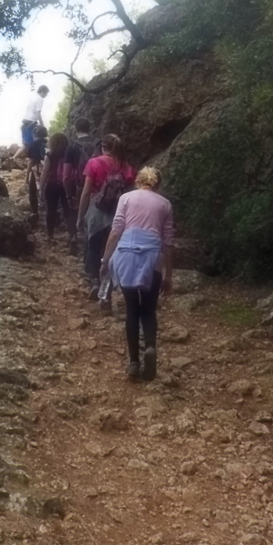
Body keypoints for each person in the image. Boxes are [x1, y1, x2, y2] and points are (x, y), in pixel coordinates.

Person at [99, 166, 174, 381]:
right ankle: (150, 346)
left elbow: (116, 231)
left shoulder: (126, 198)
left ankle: (133, 363)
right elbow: (168, 241)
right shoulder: (165, 204)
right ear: (157, 184)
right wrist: (168, 275)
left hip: (126, 256)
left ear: (138, 181)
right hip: (153, 258)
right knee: (148, 310)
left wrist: (105, 260)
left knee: (132, 309)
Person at [76, 134, 135, 305]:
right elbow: (130, 194)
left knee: (93, 247)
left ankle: (94, 281)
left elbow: (86, 192)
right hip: (118, 212)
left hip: (96, 210)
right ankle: (106, 294)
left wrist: (80, 216)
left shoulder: (94, 163)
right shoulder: (127, 168)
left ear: (103, 147)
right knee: (110, 252)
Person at [39, 132, 76, 243]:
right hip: (67, 184)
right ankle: (72, 236)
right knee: (68, 210)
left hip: (52, 184)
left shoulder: (50, 154)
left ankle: (50, 235)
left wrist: (41, 187)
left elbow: (45, 171)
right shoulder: (70, 153)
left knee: (51, 210)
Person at [20, 85, 49, 151]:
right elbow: (38, 113)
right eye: (46, 93)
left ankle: (14, 157)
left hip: (25, 120)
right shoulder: (40, 99)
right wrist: (42, 125)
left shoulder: (33, 98)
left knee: (26, 143)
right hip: (31, 121)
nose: (46, 95)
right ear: (42, 91)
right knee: (34, 142)